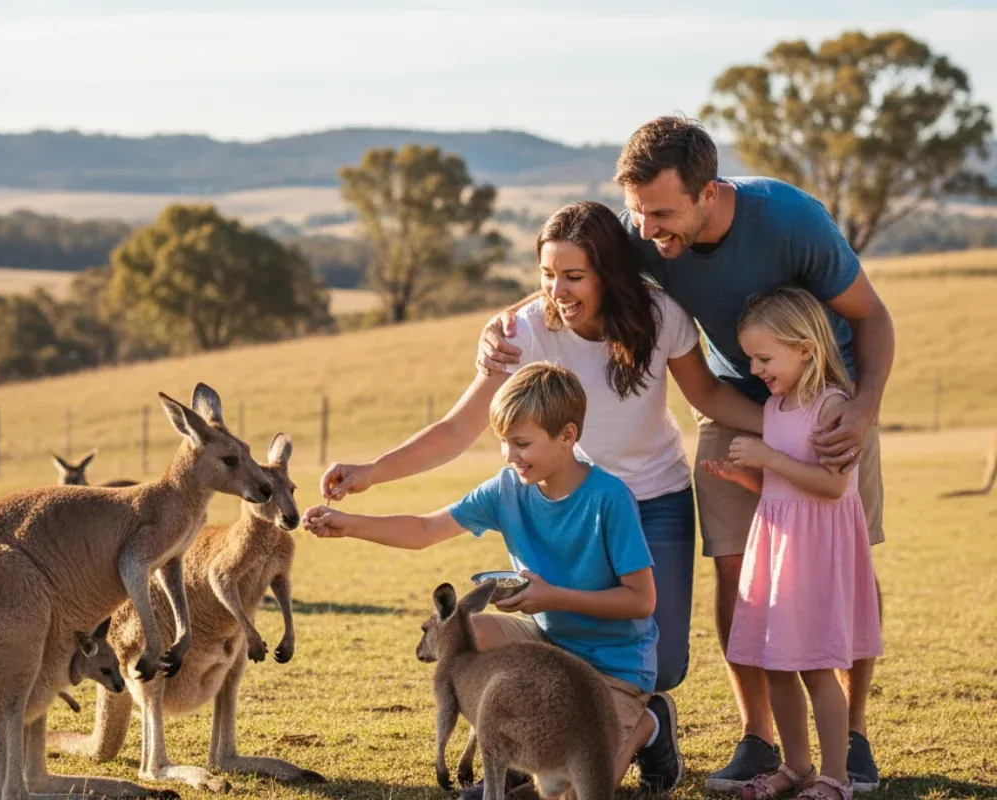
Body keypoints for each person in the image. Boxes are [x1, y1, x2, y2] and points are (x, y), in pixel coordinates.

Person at [478, 116, 894, 792]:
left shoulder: (793, 222)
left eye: (662, 214)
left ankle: (853, 736)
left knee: (844, 570)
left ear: (709, 192)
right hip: (733, 399)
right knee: (740, 570)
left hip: (831, 402)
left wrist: (864, 406)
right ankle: (762, 739)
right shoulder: (645, 228)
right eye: (638, 213)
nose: (647, 230)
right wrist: (498, 325)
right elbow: (578, 274)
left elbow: (872, 315)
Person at [318, 200, 762, 794]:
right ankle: (548, 733)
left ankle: (649, 719)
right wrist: (370, 474)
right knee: (501, 638)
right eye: (547, 275)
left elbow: (708, 394)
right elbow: (456, 430)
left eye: (574, 276)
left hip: (651, 498)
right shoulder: (525, 329)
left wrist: (790, 427)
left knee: (667, 663)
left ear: (608, 272)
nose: (558, 290)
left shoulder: (661, 316)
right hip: (558, 493)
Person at [304, 362, 681, 793]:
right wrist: (348, 523)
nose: (509, 455)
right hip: (547, 647)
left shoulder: (609, 499)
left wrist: (553, 597)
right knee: (468, 635)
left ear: (568, 436)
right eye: (503, 442)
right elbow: (426, 529)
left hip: (613, 666)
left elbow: (640, 601)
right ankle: (514, 744)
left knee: (577, 790)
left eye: (521, 443)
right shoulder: (507, 489)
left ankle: (650, 723)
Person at [700, 287, 883, 800]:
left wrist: (768, 457)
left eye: (764, 357)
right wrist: (745, 477)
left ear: (805, 348)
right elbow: (784, 485)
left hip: (814, 555)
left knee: (815, 665)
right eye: (751, 359)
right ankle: (796, 765)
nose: (756, 369)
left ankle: (836, 776)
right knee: (774, 661)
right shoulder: (777, 407)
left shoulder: (833, 407)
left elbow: (831, 485)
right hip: (777, 549)